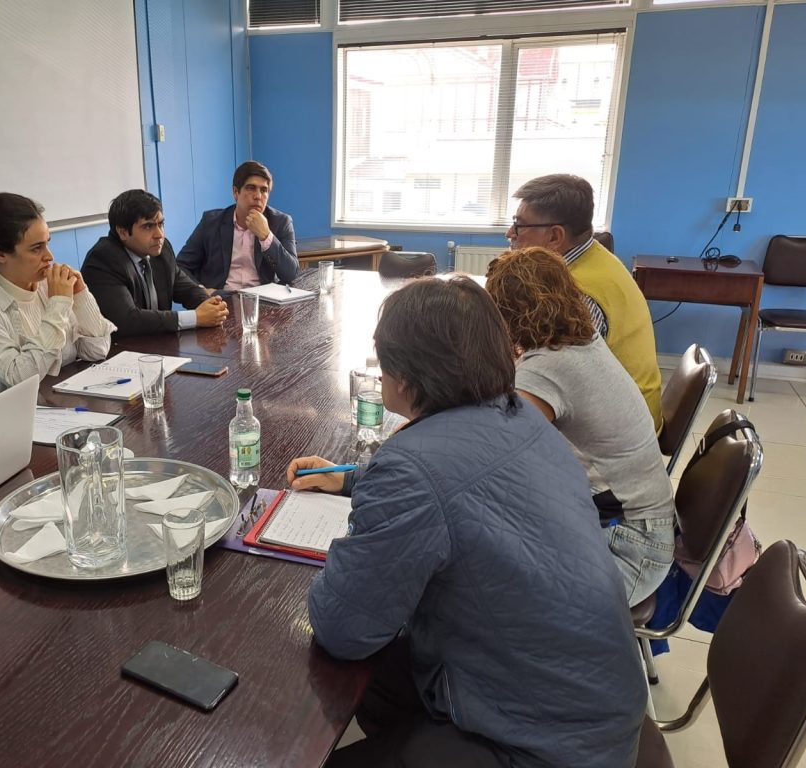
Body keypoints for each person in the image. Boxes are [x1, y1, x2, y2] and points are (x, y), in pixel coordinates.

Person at [287, 276, 646, 768]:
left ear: (405, 377)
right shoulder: (521, 417)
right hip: (594, 705)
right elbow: (464, 475)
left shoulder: (412, 469)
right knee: (373, 677)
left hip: (543, 747)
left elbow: (342, 628)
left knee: (343, 667)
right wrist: (352, 479)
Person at [486, 247, 675, 607]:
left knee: (477, 571)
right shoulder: (581, 341)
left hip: (629, 552)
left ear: (507, 313)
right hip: (641, 529)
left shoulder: (549, 367)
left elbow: (496, 450)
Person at [507, 173, 663, 430]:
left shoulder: (577, 292)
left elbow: (553, 375)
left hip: (619, 427)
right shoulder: (595, 255)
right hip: (628, 411)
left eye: (519, 226)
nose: (510, 233)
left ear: (555, 237)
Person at [0, 193, 115, 411]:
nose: (50, 256)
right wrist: (58, 305)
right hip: (1, 418)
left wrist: (80, 296)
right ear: (0, 254)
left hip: (54, 405)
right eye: (36, 248)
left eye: (47, 243)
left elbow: (97, 351)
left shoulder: (48, 285)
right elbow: (20, 378)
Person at [81, 190, 228, 335]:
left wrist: (211, 306)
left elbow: (186, 288)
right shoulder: (103, 259)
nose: (159, 235)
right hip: (121, 347)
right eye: (148, 226)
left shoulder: (162, 250)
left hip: (158, 344)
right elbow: (127, 320)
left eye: (161, 224)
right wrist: (195, 318)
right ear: (123, 232)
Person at [176, 160, 298, 291]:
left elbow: (290, 273)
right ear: (235, 192)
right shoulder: (211, 222)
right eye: (251, 188)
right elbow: (180, 266)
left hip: (263, 299)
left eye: (264, 190)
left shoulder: (281, 222)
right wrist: (201, 291)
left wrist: (266, 236)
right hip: (220, 298)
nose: (258, 196)